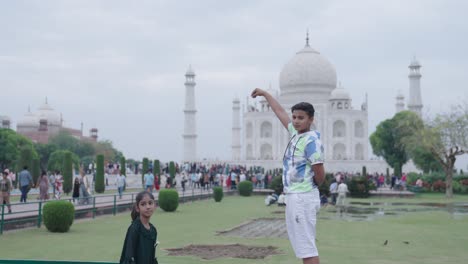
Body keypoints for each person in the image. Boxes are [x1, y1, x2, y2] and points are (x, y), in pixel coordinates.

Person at [252, 88, 325, 264]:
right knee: (302, 247)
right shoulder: (296, 134)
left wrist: (310, 186)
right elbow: (279, 112)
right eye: (295, 117)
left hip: (303, 196)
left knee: (307, 248)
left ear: (311, 119)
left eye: (301, 118)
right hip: (295, 195)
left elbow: (320, 172)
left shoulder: (311, 141)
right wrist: (265, 94)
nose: (296, 121)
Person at [120, 191, 158, 264]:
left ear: (154, 205)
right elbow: (129, 256)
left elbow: (151, 257)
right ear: (137, 208)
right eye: (143, 204)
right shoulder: (134, 228)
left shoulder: (153, 230)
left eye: (150, 203)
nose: (148, 207)